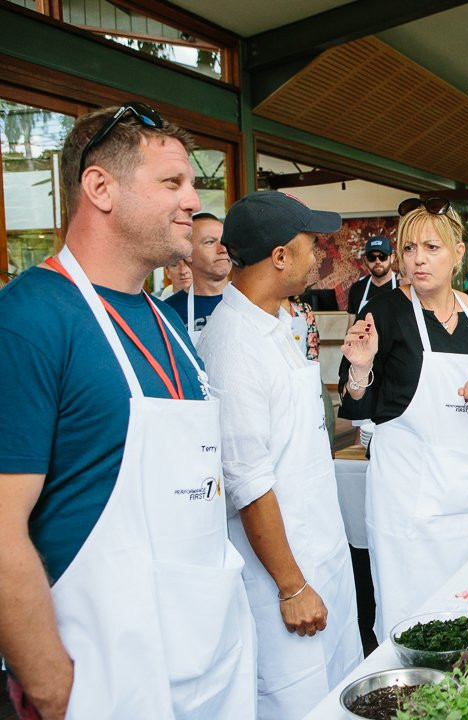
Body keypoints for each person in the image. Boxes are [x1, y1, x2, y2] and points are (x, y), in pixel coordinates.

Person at [0, 103, 255, 719]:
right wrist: (55, 690)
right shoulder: (32, 319)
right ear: (100, 187)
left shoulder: (167, 323)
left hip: (210, 662)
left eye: (192, 184)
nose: (193, 201)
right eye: (172, 183)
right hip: (105, 676)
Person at [198, 191, 362, 718]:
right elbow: (248, 481)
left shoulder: (278, 322)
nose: (319, 254)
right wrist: (292, 586)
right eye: (310, 244)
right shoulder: (233, 345)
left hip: (322, 551)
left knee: (339, 691)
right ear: (279, 256)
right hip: (282, 577)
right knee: (296, 700)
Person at [339, 196, 468, 641]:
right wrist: (360, 368)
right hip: (407, 506)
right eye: (408, 249)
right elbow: (358, 403)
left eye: (432, 248)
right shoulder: (384, 312)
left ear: (459, 253)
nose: (417, 259)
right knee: (410, 623)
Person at [164, 211, 228, 342]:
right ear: (188, 254)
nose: (223, 249)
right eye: (210, 242)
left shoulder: (250, 302)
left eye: (225, 241)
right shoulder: (168, 312)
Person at [346, 236, 398, 319]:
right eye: (372, 257)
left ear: (392, 258)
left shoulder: (403, 286)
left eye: (382, 256)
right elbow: (351, 326)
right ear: (366, 260)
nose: (377, 261)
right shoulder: (357, 288)